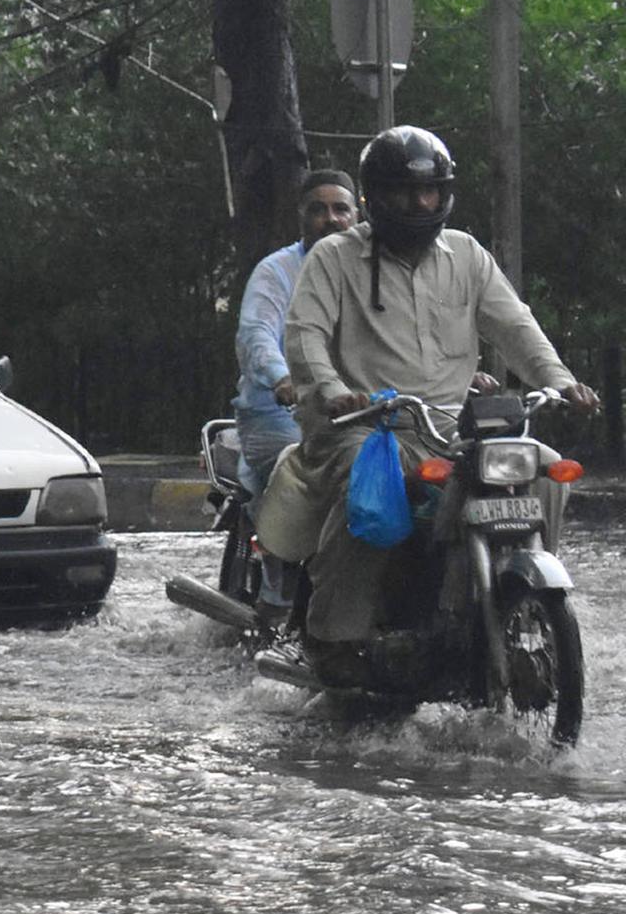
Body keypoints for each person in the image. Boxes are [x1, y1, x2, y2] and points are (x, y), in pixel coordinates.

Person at [267, 125, 599, 683]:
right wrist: (332, 390)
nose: (420, 204)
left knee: (544, 467)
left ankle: (518, 596)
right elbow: (305, 336)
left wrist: (561, 382)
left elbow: (515, 326)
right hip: (365, 423)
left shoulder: (466, 254)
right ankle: (334, 636)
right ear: (376, 197)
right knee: (372, 487)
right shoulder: (334, 257)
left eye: (429, 191)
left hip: (450, 425)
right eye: (405, 193)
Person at [232, 171, 358, 623]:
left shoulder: (374, 270)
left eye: (341, 209)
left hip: (360, 411)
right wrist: (283, 378)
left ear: (358, 215)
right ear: (301, 217)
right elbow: (256, 334)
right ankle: (279, 592)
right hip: (281, 412)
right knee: (299, 472)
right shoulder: (276, 271)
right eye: (318, 210)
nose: (331, 219)